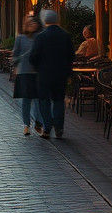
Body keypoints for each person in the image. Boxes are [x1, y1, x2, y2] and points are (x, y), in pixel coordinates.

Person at [29, 9, 74, 140]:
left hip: (44, 75)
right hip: (61, 75)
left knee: (44, 101)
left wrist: (38, 68)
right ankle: (59, 128)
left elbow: (33, 56)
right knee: (59, 101)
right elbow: (71, 55)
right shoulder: (65, 36)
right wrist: (66, 70)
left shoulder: (41, 37)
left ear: (45, 21)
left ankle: (47, 128)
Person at [12, 14, 41, 135]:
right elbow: (15, 54)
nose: (31, 25)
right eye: (28, 23)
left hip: (37, 72)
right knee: (26, 100)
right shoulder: (20, 38)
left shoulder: (39, 37)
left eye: (33, 23)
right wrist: (16, 64)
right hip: (24, 72)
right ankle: (26, 124)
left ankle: (38, 122)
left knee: (38, 99)